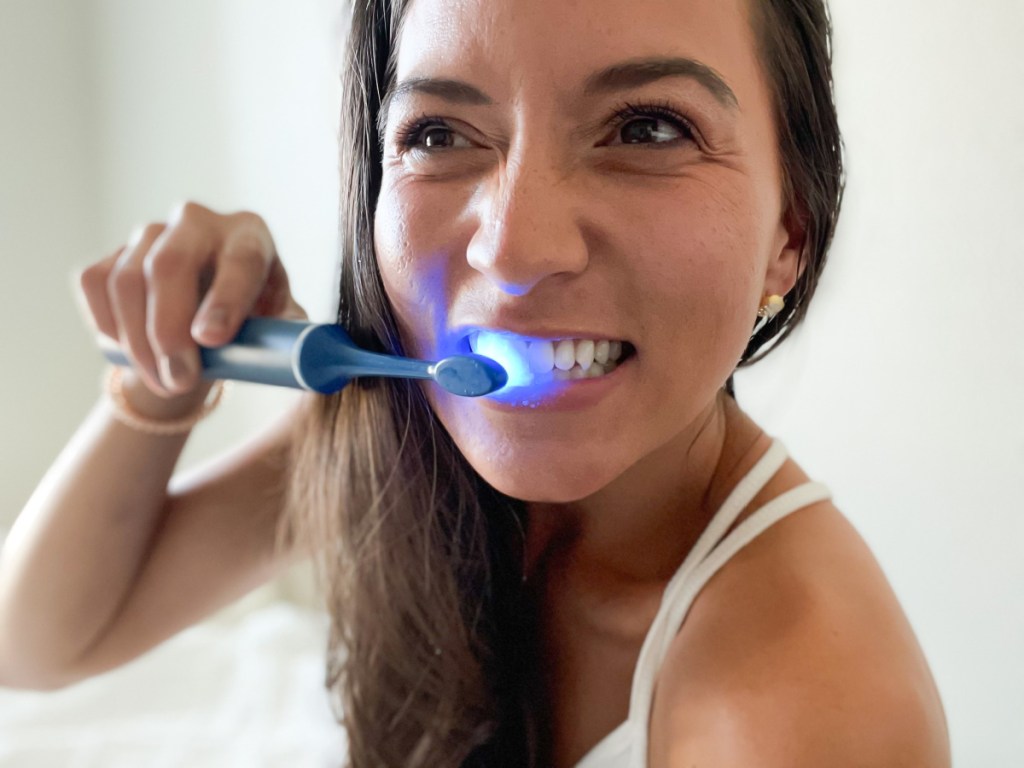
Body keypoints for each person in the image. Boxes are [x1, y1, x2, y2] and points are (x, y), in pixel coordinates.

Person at [0, 0, 951, 765]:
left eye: (648, 127)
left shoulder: (809, 710)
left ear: (793, 230)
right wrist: (159, 388)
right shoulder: (406, 434)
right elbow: (40, 644)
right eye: (439, 133)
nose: (517, 246)